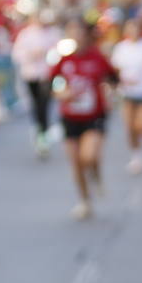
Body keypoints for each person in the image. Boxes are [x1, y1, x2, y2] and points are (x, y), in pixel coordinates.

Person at [49, 19, 118, 221]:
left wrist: (110, 94)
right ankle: (84, 200)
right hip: (70, 117)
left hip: (94, 115)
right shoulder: (64, 60)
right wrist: (61, 93)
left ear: (87, 35)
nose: (76, 37)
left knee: (88, 156)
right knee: (76, 163)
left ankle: (96, 175)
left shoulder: (97, 58)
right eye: (72, 33)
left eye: (79, 32)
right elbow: (53, 84)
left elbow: (113, 79)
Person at [110, 17, 142, 175]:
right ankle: (136, 155)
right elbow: (115, 70)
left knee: (141, 125)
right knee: (129, 127)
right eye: (130, 28)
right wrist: (119, 82)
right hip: (127, 92)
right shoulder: (121, 48)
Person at [12, 10, 62, 159]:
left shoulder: (53, 33)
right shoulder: (26, 34)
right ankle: (39, 130)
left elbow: (60, 51)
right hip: (31, 74)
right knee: (35, 104)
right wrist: (31, 55)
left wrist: (49, 55)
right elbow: (17, 54)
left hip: (47, 75)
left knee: (44, 103)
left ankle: (43, 132)